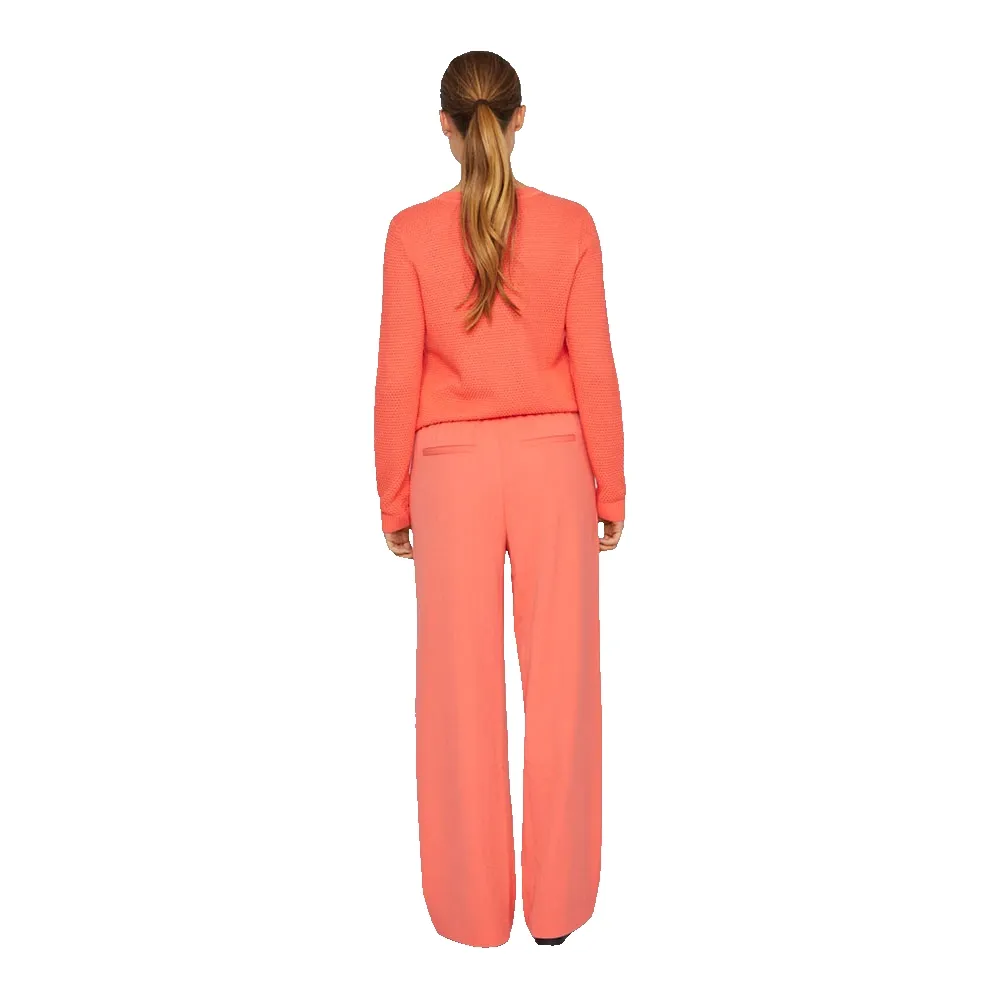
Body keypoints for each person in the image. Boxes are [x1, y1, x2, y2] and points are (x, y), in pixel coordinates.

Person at [373, 49, 626, 949]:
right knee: (564, 690)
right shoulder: (571, 226)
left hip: (450, 473)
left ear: (446, 127)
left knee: (457, 693)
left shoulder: (410, 234)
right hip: (555, 466)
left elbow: (397, 377)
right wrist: (610, 483)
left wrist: (394, 497)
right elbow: (594, 365)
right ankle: (556, 912)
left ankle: (474, 914)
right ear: (520, 120)